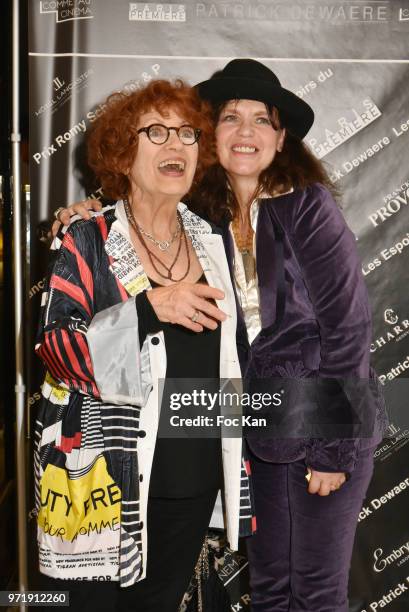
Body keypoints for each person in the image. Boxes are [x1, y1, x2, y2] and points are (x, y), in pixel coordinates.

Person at [55, 60, 387, 612]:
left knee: (317, 594)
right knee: (273, 590)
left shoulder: (308, 207)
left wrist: (333, 449)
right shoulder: (202, 217)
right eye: (231, 118)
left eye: (262, 120)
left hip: (326, 424)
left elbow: (348, 329)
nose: (247, 132)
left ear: (281, 139)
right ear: (212, 137)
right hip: (259, 426)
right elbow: (137, 210)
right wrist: (87, 209)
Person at [34, 78, 253, 612]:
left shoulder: (211, 238)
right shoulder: (88, 237)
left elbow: (238, 360)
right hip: (103, 485)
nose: (175, 145)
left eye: (187, 133)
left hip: (193, 482)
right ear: (122, 152)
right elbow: (59, 350)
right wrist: (149, 309)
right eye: (155, 132)